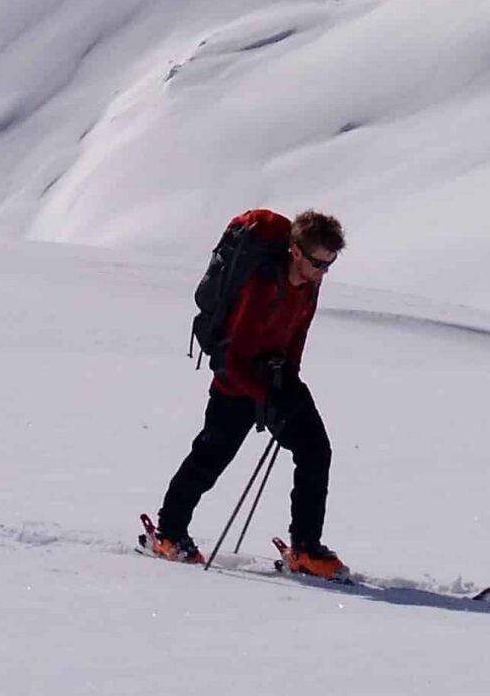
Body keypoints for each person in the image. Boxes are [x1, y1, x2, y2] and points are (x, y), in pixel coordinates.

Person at [144, 209, 347, 575]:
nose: (322, 272)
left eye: (329, 265)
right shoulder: (262, 283)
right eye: (318, 263)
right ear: (296, 251)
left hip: (277, 378)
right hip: (235, 383)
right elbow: (234, 358)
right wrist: (266, 396)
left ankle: (306, 548)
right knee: (209, 459)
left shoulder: (310, 285)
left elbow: (296, 337)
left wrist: (288, 383)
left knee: (316, 451)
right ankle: (169, 533)